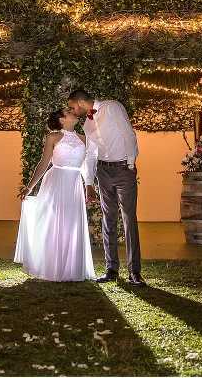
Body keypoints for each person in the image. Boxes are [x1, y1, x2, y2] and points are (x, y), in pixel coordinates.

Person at [66, 88, 146, 287]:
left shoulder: (112, 107)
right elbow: (91, 154)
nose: (72, 111)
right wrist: (89, 183)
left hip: (123, 169)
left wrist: (131, 164)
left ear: (82, 102)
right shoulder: (87, 123)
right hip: (103, 171)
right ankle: (111, 269)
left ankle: (134, 272)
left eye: (72, 107)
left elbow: (129, 134)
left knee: (129, 219)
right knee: (108, 219)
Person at [14, 107, 96, 282]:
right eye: (69, 112)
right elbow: (43, 164)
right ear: (62, 119)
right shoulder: (53, 137)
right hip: (56, 180)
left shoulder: (84, 139)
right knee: (54, 222)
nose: (74, 112)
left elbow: (86, 167)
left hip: (74, 183)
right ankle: (53, 266)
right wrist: (29, 188)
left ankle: (72, 268)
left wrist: (89, 186)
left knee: (72, 223)